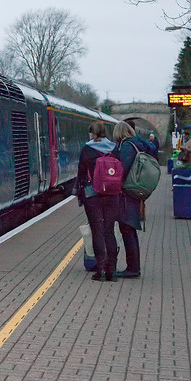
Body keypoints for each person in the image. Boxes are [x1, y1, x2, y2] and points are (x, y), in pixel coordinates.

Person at [74, 121, 119, 282]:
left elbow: (80, 172)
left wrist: (78, 192)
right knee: (109, 231)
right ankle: (112, 270)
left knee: (97, 231)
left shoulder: (87, 150)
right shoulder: (114, 148)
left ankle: (100, 269)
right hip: (113, 194)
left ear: (92, 134)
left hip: (92, 194)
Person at [113, 121, 157, 279]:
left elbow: (123, 170)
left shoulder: (126, 146)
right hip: (135, 190)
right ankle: (133, 267)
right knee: (129, 229)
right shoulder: (138, 143)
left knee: (127, 229)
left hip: (127, 192)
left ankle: (133, 268)